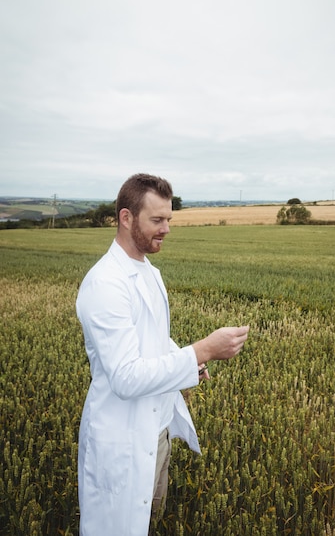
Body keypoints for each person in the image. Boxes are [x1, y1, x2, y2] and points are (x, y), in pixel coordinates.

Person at [76, 173, 249, 536]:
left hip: (157, 433)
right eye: (157, 220)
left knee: (148, 522)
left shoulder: (149, 271)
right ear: (126, 218)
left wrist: (191, 363)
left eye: (169, 218)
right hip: (123, 438)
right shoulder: (105, 284)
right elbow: (125, 376)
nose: (167, 228)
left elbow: (152, 340)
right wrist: (202, 350)